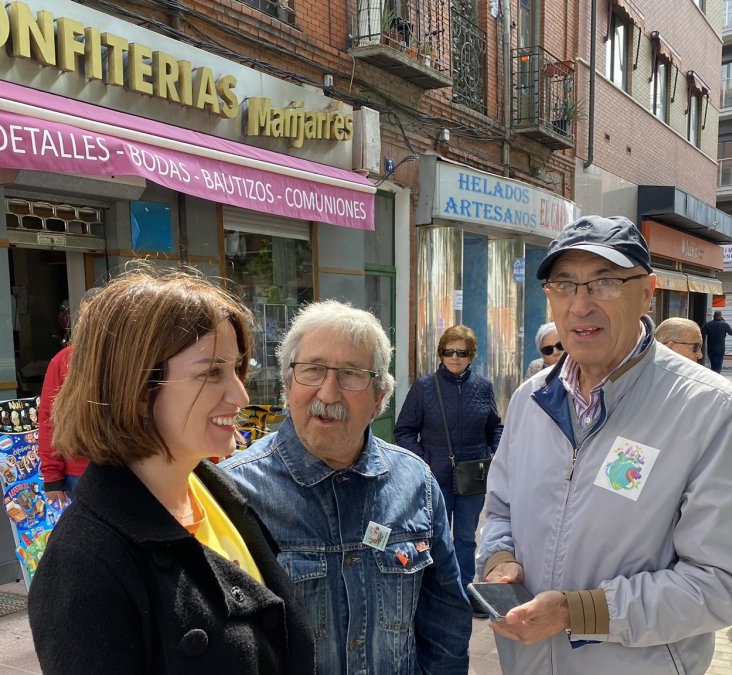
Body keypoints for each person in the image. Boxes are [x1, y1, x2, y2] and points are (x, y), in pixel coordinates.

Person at [478, 215, 732, 674]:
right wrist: (499, 559)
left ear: (647, 291)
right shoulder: (531, 400)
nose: (580, 305)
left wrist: (577, 613)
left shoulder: (710, 409)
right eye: (564, 284)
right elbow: (500, 511)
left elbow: (723, 584)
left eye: (604, 282)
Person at [27, 269, 314, 673]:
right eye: (211, 372)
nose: (240, 394)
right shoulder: (85, 563)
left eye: (236, 368)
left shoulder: (216, 491)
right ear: (139, 390)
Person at [222, 300, 471, 674]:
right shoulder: (234, 493)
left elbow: (445, 627)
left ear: (380, 398)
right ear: (287, 386)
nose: (328, 392)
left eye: (352, 374)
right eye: (313, 370)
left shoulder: (415, 483)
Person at [395, 324, 503, 607]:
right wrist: (425, 461)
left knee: (466, 538)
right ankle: (436, 591)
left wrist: (492, 454)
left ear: (472, 355)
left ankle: (465, 592)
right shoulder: (425, 387)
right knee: (433, 535)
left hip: (472, 477)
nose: (454, 357)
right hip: (435, 477)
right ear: (441, 353)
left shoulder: (483, 387)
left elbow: (496, 427)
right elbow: (404, 430)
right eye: (448, 351)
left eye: (462, 352)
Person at [38, 286, 103, 509]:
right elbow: (48, 418)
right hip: (79, 473)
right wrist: (52, 476)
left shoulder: (133, 360)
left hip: (131, 470)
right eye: (86, 317)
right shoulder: (64, 361)